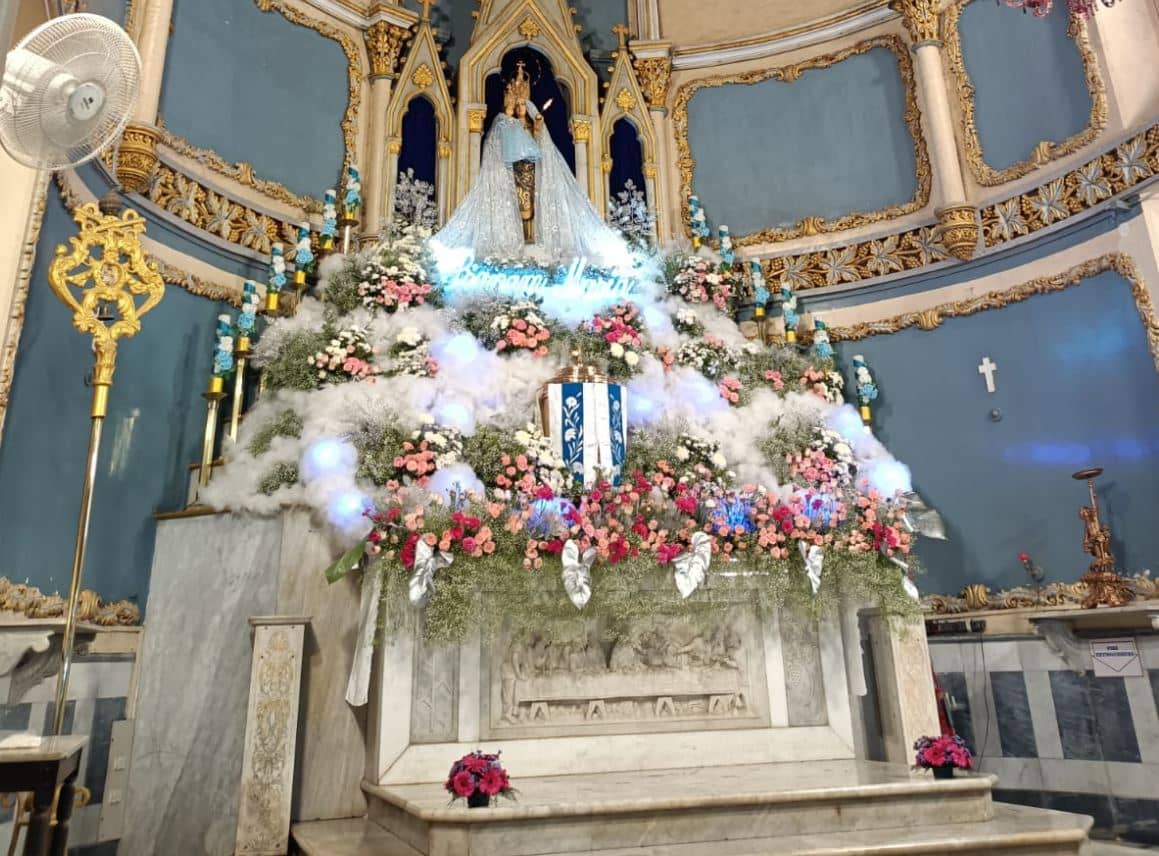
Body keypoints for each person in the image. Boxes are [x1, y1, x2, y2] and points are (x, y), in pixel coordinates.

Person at [433, 62, 630, 267]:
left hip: (531, 173)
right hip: (510, 173)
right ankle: (515, 244)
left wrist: (536, 129)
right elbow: (497, 145)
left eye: (522, 105)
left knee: (531, 211)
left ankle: (533, 240)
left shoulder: (530, 124)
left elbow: (539, 147)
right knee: (515, 208)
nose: (519, 107)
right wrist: (509, 115)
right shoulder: (502, 123)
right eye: (516, 104)